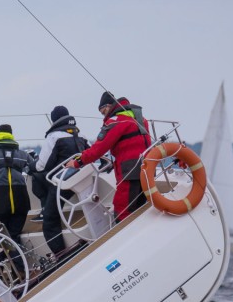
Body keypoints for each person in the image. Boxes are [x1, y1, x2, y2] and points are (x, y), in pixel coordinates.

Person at [68, 92, 152, 222]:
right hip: (146, 168)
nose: (104, 115)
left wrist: (77, 162)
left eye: (103, 112)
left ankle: (124, 239)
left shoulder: (115, 121)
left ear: (109, 106)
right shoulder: (141, 119)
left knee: (122, 209)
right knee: (141, 207)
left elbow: (98, 149)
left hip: (128, 171)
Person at [34, 105, 89, 255]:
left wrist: (31, 165)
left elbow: (41, 166)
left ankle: (61, 254)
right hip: (85, 178)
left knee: (50, 219)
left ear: (54, 120)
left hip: (64, 183)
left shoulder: (54, 136)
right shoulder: (81, 135)